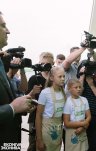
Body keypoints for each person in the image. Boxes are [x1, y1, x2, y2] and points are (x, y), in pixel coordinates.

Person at [0, 11, 35, 148]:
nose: (8, 31)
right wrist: (12, 108)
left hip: (10, 140)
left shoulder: (2, 63)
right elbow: (10, 105)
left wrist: (21, 105)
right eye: (3, 26)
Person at [26, 52, 54, 151]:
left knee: (50, 144)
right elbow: (27, 98)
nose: (45, 66)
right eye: (42, 64)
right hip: (34, 117)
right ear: (39, 63)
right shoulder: (34, 78)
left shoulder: (55, 79)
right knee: (33, 145)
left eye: (48, 64)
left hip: (51, 118)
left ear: (52, 64)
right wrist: (33, 92)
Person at [35, 66, 66, 151]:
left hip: (58, 131)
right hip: (46, 132)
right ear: (52, 78)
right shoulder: (45, 93)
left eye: (64, 76)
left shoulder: (63, 93)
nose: (63, 79)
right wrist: (39, 139)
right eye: (60, 76)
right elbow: (38, 116)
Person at [63, 79, 91, 151]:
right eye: (76, 87)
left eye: (80, 87)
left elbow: (89, 116)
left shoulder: (84, 100)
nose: (78, 89)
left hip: (83, 130)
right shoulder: (68, 103)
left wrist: (82, 127)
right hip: (72, 132)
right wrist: (83, 123)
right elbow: (66, 123)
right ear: (69, 89)